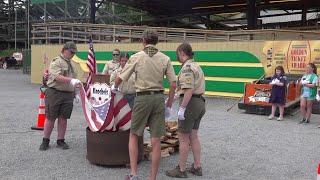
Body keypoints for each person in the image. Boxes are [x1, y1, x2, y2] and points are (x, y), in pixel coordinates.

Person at [112, 29, 176, 180]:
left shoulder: (136, 57)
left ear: (143, 41)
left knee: (134, 134)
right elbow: (173, 84)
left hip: (142, 98)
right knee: (156, 139)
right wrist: (169, 104)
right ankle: (152, 177)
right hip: (158, 98)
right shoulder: (165, 58)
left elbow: (121, 77)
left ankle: (134, 174)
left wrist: (113, 88)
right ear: (156, 41)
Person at [165, 42, 206, 178]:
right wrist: (175, 97)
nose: (177, 57)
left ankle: (181, 170)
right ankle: (197, 166)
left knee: (183, 138)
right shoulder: (196, 66)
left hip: (190, 104)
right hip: (200, 102)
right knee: (193, 136)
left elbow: (188, 89)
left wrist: (182, 108)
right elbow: (186, 88)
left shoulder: (187, 68)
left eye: (178, 54)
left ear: (181, 53)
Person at [39, 41, 81, 151]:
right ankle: (45, 140)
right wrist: (71, 80)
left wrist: (76, 94)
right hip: (55, 92)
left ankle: (60, 140)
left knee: (63, 118)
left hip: (67, 94)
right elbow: (57, 77)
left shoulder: (72, 64)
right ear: (64, 50)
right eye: (71, 52)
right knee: (51, 117)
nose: (73, 54)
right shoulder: (56, 62)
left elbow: (74, 82)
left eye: (74, 52)